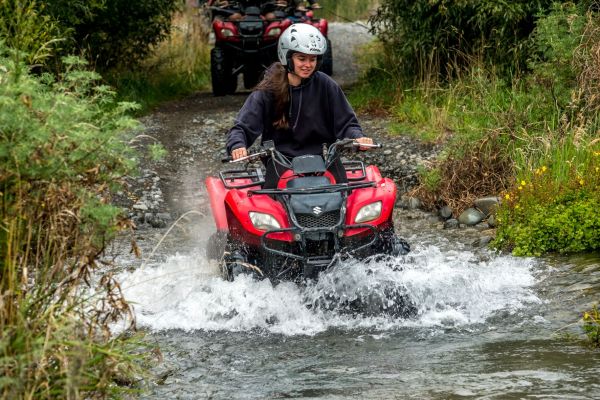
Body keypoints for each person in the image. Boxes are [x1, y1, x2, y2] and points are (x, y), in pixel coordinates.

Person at [226, 23, 373, 188]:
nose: (308, 65)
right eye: (301, 58)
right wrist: (238, 145)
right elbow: (242, 127)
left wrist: (357, 137)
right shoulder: (269, 90)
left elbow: (346, 123)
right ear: (287, 57)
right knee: (275, 205)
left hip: (322, 160)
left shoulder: (326, 85)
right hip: (281, 162)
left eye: (313, 59)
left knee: (345, 194)